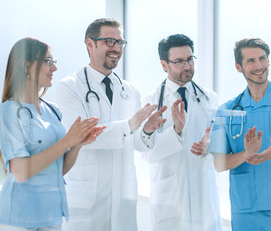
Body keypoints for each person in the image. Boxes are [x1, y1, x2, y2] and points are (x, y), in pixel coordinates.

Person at [55, 18, 166, 231]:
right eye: (108, 41)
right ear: (90, 44)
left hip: (122, 198)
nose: (116, 48)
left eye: (120, 43)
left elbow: (136, 143)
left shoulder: (130, 90)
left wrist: (147, 131)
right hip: (86, 200)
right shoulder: (69, 87)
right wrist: (131, 123)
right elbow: (82, 136)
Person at [0, 38, 105, 230]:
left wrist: (77, 145)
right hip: (19, 216)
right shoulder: (8, 111)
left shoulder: (53, 110)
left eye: (53, 62)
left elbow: (58, 170)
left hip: (51, 214)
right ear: (26, 66)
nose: (54, 69)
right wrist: (67, 140)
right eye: (48, 62)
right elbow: (21, 172)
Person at [135, 34, 222, 230]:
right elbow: (146, 154)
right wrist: (176, 130)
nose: (187, 66)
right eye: (179, 61)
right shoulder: (150, 102)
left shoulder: (209, 98)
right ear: (164, 64)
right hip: (171, 200)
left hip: (204, 195)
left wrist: (211, 145)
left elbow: (219, 144)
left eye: (190, 59)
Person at [208, 37, 271, 230]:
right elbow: (219, 164)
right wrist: (246, 154)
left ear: (269, 61)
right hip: (245, 209)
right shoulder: (227, 110)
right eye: (251, 61)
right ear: (239, 67)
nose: (259, 65)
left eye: (262, 58)